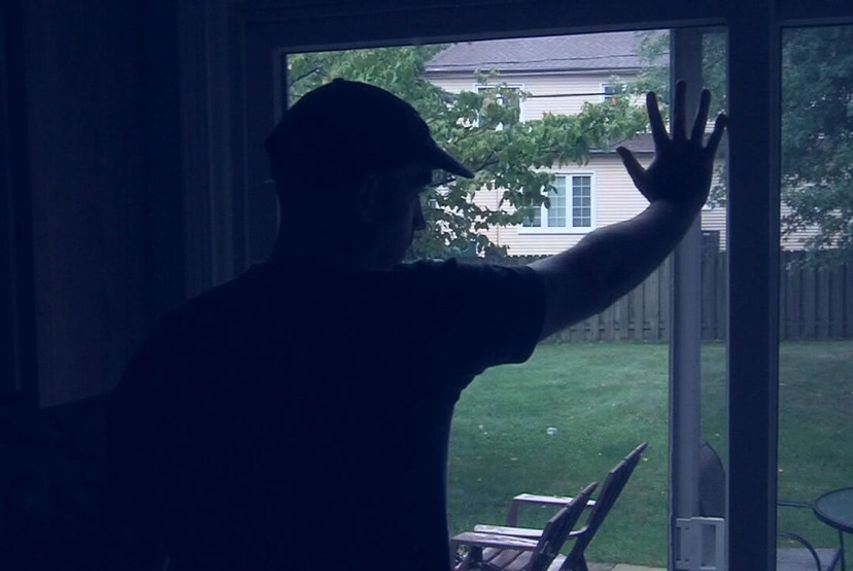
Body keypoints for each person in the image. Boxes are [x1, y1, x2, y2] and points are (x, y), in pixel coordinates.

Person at [102, 78, 726, 570]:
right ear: (371, 195)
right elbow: (590, 277)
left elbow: (129, 531)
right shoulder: (415, 317)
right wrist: (676, 203)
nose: (421, 222)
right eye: (416, 191)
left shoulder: (181, 340)